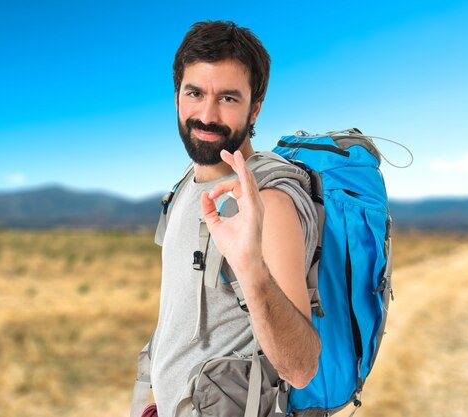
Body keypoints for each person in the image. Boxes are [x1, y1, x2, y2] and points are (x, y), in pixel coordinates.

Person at [148, 20, 321, 417]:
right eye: (195, 93)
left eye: (228, 98)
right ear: (177, 96)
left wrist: (251, 268)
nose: (206, 115)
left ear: (254, 107)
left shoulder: (267, 200)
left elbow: (301, 368)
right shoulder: (187, 184)